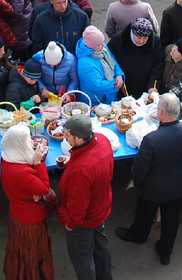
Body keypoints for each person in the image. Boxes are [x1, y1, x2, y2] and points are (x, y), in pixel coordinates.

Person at [112, 92, 182, 265]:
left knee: (144, 215)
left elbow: (140, 170)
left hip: (152, 189)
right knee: (171, 219)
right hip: (177, 184)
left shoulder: (152, 140)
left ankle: (138, 235)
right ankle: (166, 252)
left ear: (161, 113)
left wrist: (138, 183)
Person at [58, 114, 115, 280]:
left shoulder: (81, 171)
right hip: (101, 206)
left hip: (85, 219)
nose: (65, 138)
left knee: (82, 257)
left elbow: (77, 205)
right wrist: (73, 161)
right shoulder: (103, 141)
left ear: (79, 138)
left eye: (68, 136)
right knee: (101, 244)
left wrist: (70, 224)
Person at [0, 124, 54, 280]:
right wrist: (37, 163)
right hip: (30, 222)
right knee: (32, 255)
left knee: (19, 253)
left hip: (16, 214)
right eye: (27, 140)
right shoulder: (21, 173)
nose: (30, 142)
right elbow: (44, 188)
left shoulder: (7, 156)